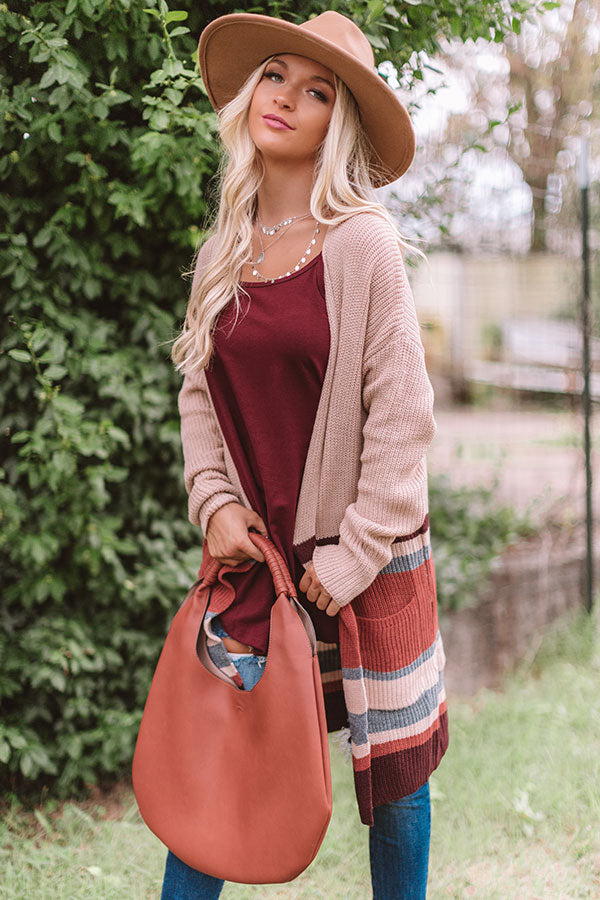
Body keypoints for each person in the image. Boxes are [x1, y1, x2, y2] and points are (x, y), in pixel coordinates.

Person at [163, 10, 449, 899]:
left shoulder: (364, 244)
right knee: (215, 767)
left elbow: (403, 415)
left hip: (364, 563)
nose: (284, 98)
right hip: (260, 566)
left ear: (338, 123)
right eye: (276, 76)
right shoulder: (225, 249)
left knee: (396, 782)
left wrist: (358, 549)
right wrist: (213, 504)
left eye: (316, 90)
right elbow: (199, 395)